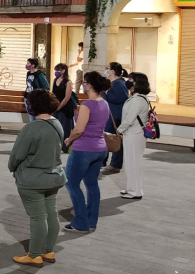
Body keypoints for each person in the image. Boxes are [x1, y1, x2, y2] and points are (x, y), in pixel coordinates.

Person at [8, 90, 66, 266]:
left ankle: (34, 255)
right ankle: (48, 250)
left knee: (38, 217)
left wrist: (12, 168)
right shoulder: (57, 124)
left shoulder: (31, 128)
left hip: (33, 179)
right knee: (51, 214)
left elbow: (17, 155)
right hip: (54, 176)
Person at [64, 71, 111, 233]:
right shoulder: (104, 103)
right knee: (91, 184)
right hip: (100, 149)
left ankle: (81, 222)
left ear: (89, 85)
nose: (83, 85)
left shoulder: (87, 105)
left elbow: (78, 129)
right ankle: (91, 221)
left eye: (84, 83)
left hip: (83, 149)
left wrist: (69, 140)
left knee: (71, 183)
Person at [118, 72, 150, 200]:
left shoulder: (137, 100)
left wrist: (119, 130)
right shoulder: (137, 97)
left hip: (134, 133)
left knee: (134, 163)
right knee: (129, 162)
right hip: (132, 133)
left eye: (131, 79)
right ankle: (131, 188)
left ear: (137, 83)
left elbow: (129, 119)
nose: (128, 81)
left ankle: (136, 191)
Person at [102, 62, 129, 175]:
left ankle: (115, 164)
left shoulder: (119, 84)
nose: (106, 70)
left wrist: (104, 94)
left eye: (107, 68)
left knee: (116, 139)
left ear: (112, 71)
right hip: (110, 114)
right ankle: (103, 161)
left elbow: (120, 98)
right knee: (107, 138)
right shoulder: (113, 83)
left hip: (116, 116)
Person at [52, 63, 76, 152]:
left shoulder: (68, 82)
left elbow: (67, 97)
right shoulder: (55, 80)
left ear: (63, 71)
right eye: (56, 70)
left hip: (65, 108)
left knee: (64, 128)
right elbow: (53, 94)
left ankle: (64, 147)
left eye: (58, 70)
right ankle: (56, 145)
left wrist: (59, 106)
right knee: (55, 127)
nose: (56, 72)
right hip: (56, 107)